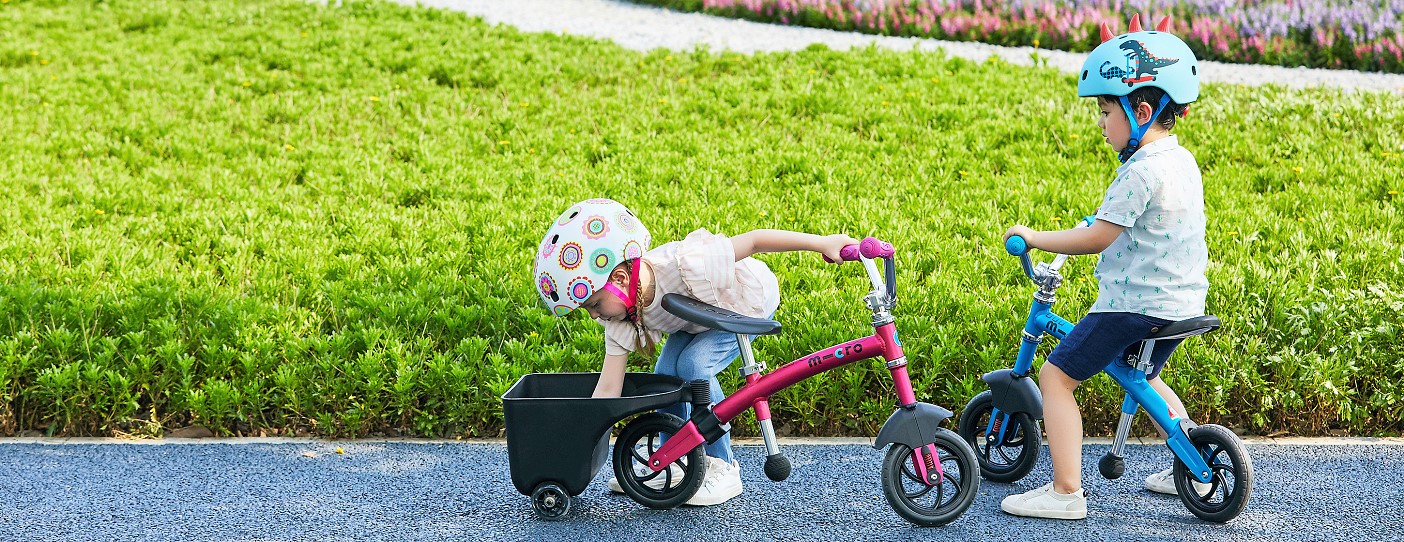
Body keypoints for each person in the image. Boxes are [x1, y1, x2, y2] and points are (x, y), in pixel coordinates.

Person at [998, 15, 1211, 520]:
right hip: (1180, 301)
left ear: (1140, 110)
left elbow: (1097, 238)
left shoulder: (1138, 171)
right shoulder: (1179, 161)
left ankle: (1065, 492)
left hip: (1132, 307)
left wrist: (1034, 237)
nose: (1100, 123)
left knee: (1055, 380)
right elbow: (1151, 222)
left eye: (1104, 110)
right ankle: (1192, 457)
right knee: (1145, 378)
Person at [533, 197, 855, 506]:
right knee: (665, 377)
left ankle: (723, 465)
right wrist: (575, 442)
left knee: (693, 366)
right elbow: (607, 390)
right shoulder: (622, 318)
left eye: (593, 304)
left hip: (744, 305)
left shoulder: (685, 263)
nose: (593, 315)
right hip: (697, 320)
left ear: (619, 278)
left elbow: (755, 241)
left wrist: (822, 242)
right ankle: (669, 460)